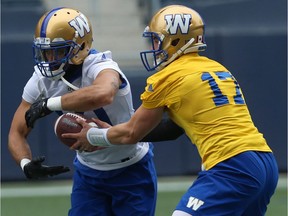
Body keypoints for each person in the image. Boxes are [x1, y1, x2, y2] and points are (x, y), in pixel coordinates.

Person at [65, 5, 279, 216]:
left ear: (176, 41)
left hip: (231, 165)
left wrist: (93, 136)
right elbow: (173, 129)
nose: (154, 46)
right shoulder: (216, 67)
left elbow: (132, 133)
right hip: (265, 163)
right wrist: (115, 131)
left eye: (157, 40)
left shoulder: (167, 78)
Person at [8, 7, 185, 216]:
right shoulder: (41, 78)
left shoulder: (101, 65)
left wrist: (49, 104)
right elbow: (16, 132)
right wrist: (25, 163)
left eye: (58, 50)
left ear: (80, 46)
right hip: (88, 172)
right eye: (45, 51)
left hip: (131, 167)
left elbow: (103, 94)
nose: (49, 58)